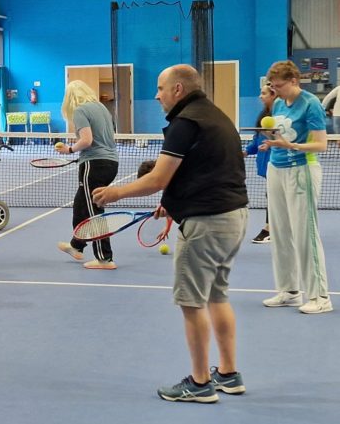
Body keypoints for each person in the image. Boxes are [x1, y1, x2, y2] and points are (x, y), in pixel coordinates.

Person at [93, 64, 248, 403]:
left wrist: (114, 193)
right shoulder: (216, 117)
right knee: (216, 296)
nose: (157, 94)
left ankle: (200, 382)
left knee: (191, 303)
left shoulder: (184, 123)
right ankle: (228, 373)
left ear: (178, 89)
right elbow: (207, 171)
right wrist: (175, 203)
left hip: (207, 224)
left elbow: (157, 179)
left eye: (161, 88)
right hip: (234, 217)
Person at [259, 60, 332, 314]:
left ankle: (320, 296)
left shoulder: (311, 104)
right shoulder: (279, 102)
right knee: (280, 232)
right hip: (276, 169)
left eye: (279, 86)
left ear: (294, 81)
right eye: (273, 86)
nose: (275, 91)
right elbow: (283, 136)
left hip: (302, 169)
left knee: (305, 233)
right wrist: (272, 144)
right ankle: (289, 290)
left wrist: (293, 147)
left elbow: (321, 144)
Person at [55, 80, 119, 270]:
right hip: (110, 163)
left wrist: (70, 149)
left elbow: (87, 140)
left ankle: (104, 258)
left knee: (94, 212)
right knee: (81, 205)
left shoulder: (80, 110)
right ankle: (77, 245)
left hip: (94, 165)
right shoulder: (101, 108)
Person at [244, 83, 277, 243]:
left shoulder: (281, 115)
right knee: (272, 196)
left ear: (273, 95)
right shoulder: (263, 115)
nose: (260, 96)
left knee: (272, 197)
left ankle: (269, 229)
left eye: (263, 93)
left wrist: (271, 139)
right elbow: (257, 139)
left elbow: (283, 140)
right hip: (265, 165)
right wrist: (246, 151)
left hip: (278, 164)